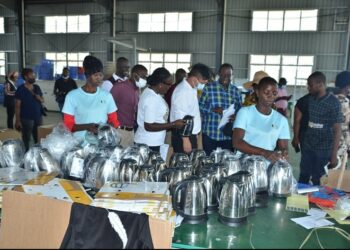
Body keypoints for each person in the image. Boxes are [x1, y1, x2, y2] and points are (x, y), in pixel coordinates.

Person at [298, 71, 343, 186]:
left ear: (320, 84)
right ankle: (301, 200)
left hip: (323, 148)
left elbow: (337, 130)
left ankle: (316, 202)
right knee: (304, 174)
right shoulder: (311, 99)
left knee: (318, 177)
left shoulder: (334, 103)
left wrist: (333, 155)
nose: (308, 88)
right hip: (308, 145)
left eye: (310, 85)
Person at [233, 76, 290, 163]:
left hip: (266, 167)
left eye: (274, 93)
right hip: (244, 164)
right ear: (257, 92)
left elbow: (283, 148)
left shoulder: (282, 120)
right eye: (266, 92)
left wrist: (283, 153)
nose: (270, 96)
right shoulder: (245, 112)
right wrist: (264, 153)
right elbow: (237, 142)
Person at [62, 55, 120, 141]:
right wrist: (88, 127)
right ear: (87, 75)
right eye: (96, 75)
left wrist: (107, 129)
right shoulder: (72, 96)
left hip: (101, 144)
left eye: (101, 75)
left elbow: (114, 121)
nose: (99, 78)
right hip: (80, 144)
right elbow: (68, 125)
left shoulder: (107, 96)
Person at [134, 67, 185, 152]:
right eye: (169, 84)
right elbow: (149, 126)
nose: (170, 87)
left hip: (153, 141)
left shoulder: (152, 93)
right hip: (148, 143)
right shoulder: (151, 98)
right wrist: (173, 124)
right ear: (160, 84)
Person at [199, 63, 242, 155]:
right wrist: (213, 109)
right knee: (209, 162)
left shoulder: (236, 91)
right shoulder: (209, 88)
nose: (226, 77)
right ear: (219, 74)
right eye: (223, 75)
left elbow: (240, 110)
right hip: (210, 133)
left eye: (229, 75)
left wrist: (236, 116)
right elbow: (200, 107)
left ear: (232, 75)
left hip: (228, 136)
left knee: (226, 163)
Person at [170, 63, 212, 154]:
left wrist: (195, 133)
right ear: (194, 79)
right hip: (184, 136)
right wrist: (186, 140)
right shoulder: (183, 92)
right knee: (183, 165)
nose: (203, 86)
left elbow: (192, 112)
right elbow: (180, 119)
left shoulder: (191, 88)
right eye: (202, 83)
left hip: (190, 134)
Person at [110, 64, 148, 148]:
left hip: (131, 131)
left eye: (146, 77)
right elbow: (108, 107)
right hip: (120, 130)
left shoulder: (137, 89)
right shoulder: (120, 87)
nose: (145, 80)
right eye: (143, 77)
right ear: (135, 75)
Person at [15, 68, 44, 151]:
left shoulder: (36, 87)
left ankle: (37, 154)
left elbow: (42, 100)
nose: (34, 77)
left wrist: (39, 98)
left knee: (38, 137)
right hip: (26, 118)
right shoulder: (20, 89)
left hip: (38, 117)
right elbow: (17, 106)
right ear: (26, 77)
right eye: (31, 75)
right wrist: (17, 120)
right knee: (26, 138)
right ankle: (26, 154)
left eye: (34, 75)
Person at [333, 71, 350, 161]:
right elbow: (343, 127)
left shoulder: (332, 98)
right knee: (337, 173)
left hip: (330, 144)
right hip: (339, 145)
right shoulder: (344, 102)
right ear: (348, 87)